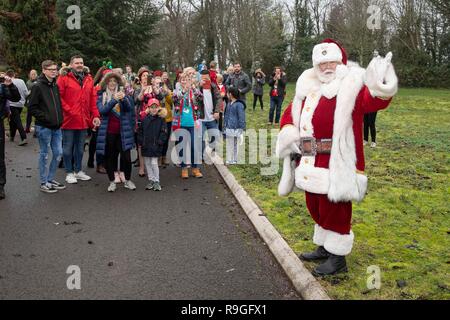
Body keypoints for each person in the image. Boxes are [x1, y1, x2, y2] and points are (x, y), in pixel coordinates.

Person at [276, 39, 398, 276]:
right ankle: (324, 246)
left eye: (331, 61)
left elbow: (372, 100)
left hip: (336, 160)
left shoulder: (351, 84)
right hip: (310, 158)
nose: (327, 66)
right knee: (315, 203)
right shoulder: (308, 86)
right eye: (322, 62)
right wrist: (289, 130)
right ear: (315, 65)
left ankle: (338, 258)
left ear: (339, 61)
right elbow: (290, 113)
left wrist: (379, 80)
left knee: (336, 208)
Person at [57, 55, 101, 184]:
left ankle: (78, 171)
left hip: (83, 120)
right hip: (68, 120)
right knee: (68, 147)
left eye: (81, 62)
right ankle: (69, 172)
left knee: (80, 148)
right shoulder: (63, 78)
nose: (79, 65)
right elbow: (58, 97)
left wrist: (96, 115)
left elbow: (93, 99)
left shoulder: (88, 79)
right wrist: (70, 110)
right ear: (71, 65)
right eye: (76, 63)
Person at [28, 60, 66, 194]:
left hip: (57, 127)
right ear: (43, 70)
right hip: (44, 127)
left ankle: (50, 179)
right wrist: (46, 118)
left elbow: (58, 105)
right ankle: (44, 182)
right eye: (51, 69)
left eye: (55, 69)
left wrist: (59, 118)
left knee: (58, 153)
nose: (54, 71)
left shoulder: (54, 85)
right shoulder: (37, 86)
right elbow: (31, 107)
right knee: (44, 154)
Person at [96, 72, 136, 192]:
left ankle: (128, 180)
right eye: (110, 81)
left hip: (123, 132)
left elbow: (129, 108)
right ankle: (112, 181)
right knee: (110, 158)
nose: (112, 83)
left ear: (118, 83)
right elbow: (103, 110)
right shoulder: (102, 96)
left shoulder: (124, 95)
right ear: (106, 83)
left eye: (114, 81)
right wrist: (113, 100)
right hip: (109, 132)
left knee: (127, 158)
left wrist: (123, 99)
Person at [172, 72, 203, 179]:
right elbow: (175, 100)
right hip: (181, 123)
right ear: (180, 81)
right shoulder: (177, 92)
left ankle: (195, 168)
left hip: (192, 123)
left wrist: (193, 88)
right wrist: (184, 90)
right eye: (183, 80)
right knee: (182, 146)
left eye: (188, 79)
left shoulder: (194, 92)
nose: (185, 82)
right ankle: (184, 168)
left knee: (194, 146)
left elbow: (200, 98)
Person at [138, 98, 168, 191]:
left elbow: (164, 132)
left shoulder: (161, 120)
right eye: (152, 107)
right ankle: (151, 180)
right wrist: (141, 141)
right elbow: (140, 131)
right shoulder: (145, 119)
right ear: (148, 108)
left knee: (154, 163)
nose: (154, 109)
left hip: (156, 145)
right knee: (147, 162)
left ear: (158, 108)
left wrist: (160, 142)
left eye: (155, 107)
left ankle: (156, 180)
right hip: (146, 145)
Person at [0, 72, 21, 200]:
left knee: (0, 158)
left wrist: (10, 85)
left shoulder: (2, 86)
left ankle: (0, 186)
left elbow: (15, 98)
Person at [198, 69, 220, 159]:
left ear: (209, 78)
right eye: (203, 79)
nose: (205, 80)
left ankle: (211, 150)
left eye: (206, 78)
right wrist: (198, 87)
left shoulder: (213, 86)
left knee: (215, 136)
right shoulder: (197, 87)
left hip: (212, 117)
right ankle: (201, 156)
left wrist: (217, 111)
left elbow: (219, 98)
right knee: (201, 139)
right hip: (201, 118)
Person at [224, 86, 246, 165]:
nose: (226, 94)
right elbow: (226, 116)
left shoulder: (239, 105)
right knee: (229, 144)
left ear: (231, 94)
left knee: (235, 144)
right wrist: (225, 126)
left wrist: (241, 129)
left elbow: (241, 117)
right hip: (228, 127)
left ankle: (235, 159)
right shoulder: (229, 104)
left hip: (236, 128)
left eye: (227, 93)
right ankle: (229, 159)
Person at [7, 70, 29, 145]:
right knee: (13, 121)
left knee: (17, 120)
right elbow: (26, 93)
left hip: (12, 104)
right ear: (14, 74)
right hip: (20, 104)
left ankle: (24, 137)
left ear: (8, 75)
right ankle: (12, 136)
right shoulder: (21, 81)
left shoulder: (8, 82)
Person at [25, 69, 38, 135]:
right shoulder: (28, 82)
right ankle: (27, 128)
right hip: (30, 101)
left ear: (36, 74)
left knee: (37, 117)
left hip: (37, 101)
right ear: (30, 75)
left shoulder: (39, 81)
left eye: (34, 74)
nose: (33, 75)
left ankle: (36, 132)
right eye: (32, 74)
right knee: (29, 116)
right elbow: (26, 92)